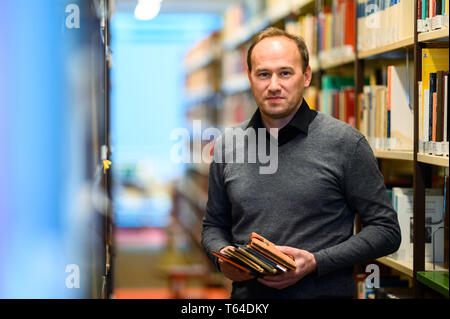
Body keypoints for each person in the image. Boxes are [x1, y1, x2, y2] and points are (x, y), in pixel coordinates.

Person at [201, 27, 401, 299]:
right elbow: (213, 225)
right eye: (263, 74)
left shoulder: (346, 143)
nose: (273, 85)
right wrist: (222, 256)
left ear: (306, 76)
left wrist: (316, 262)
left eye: (285, 73)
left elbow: (386, 231)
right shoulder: (228, 144)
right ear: (249, 78)